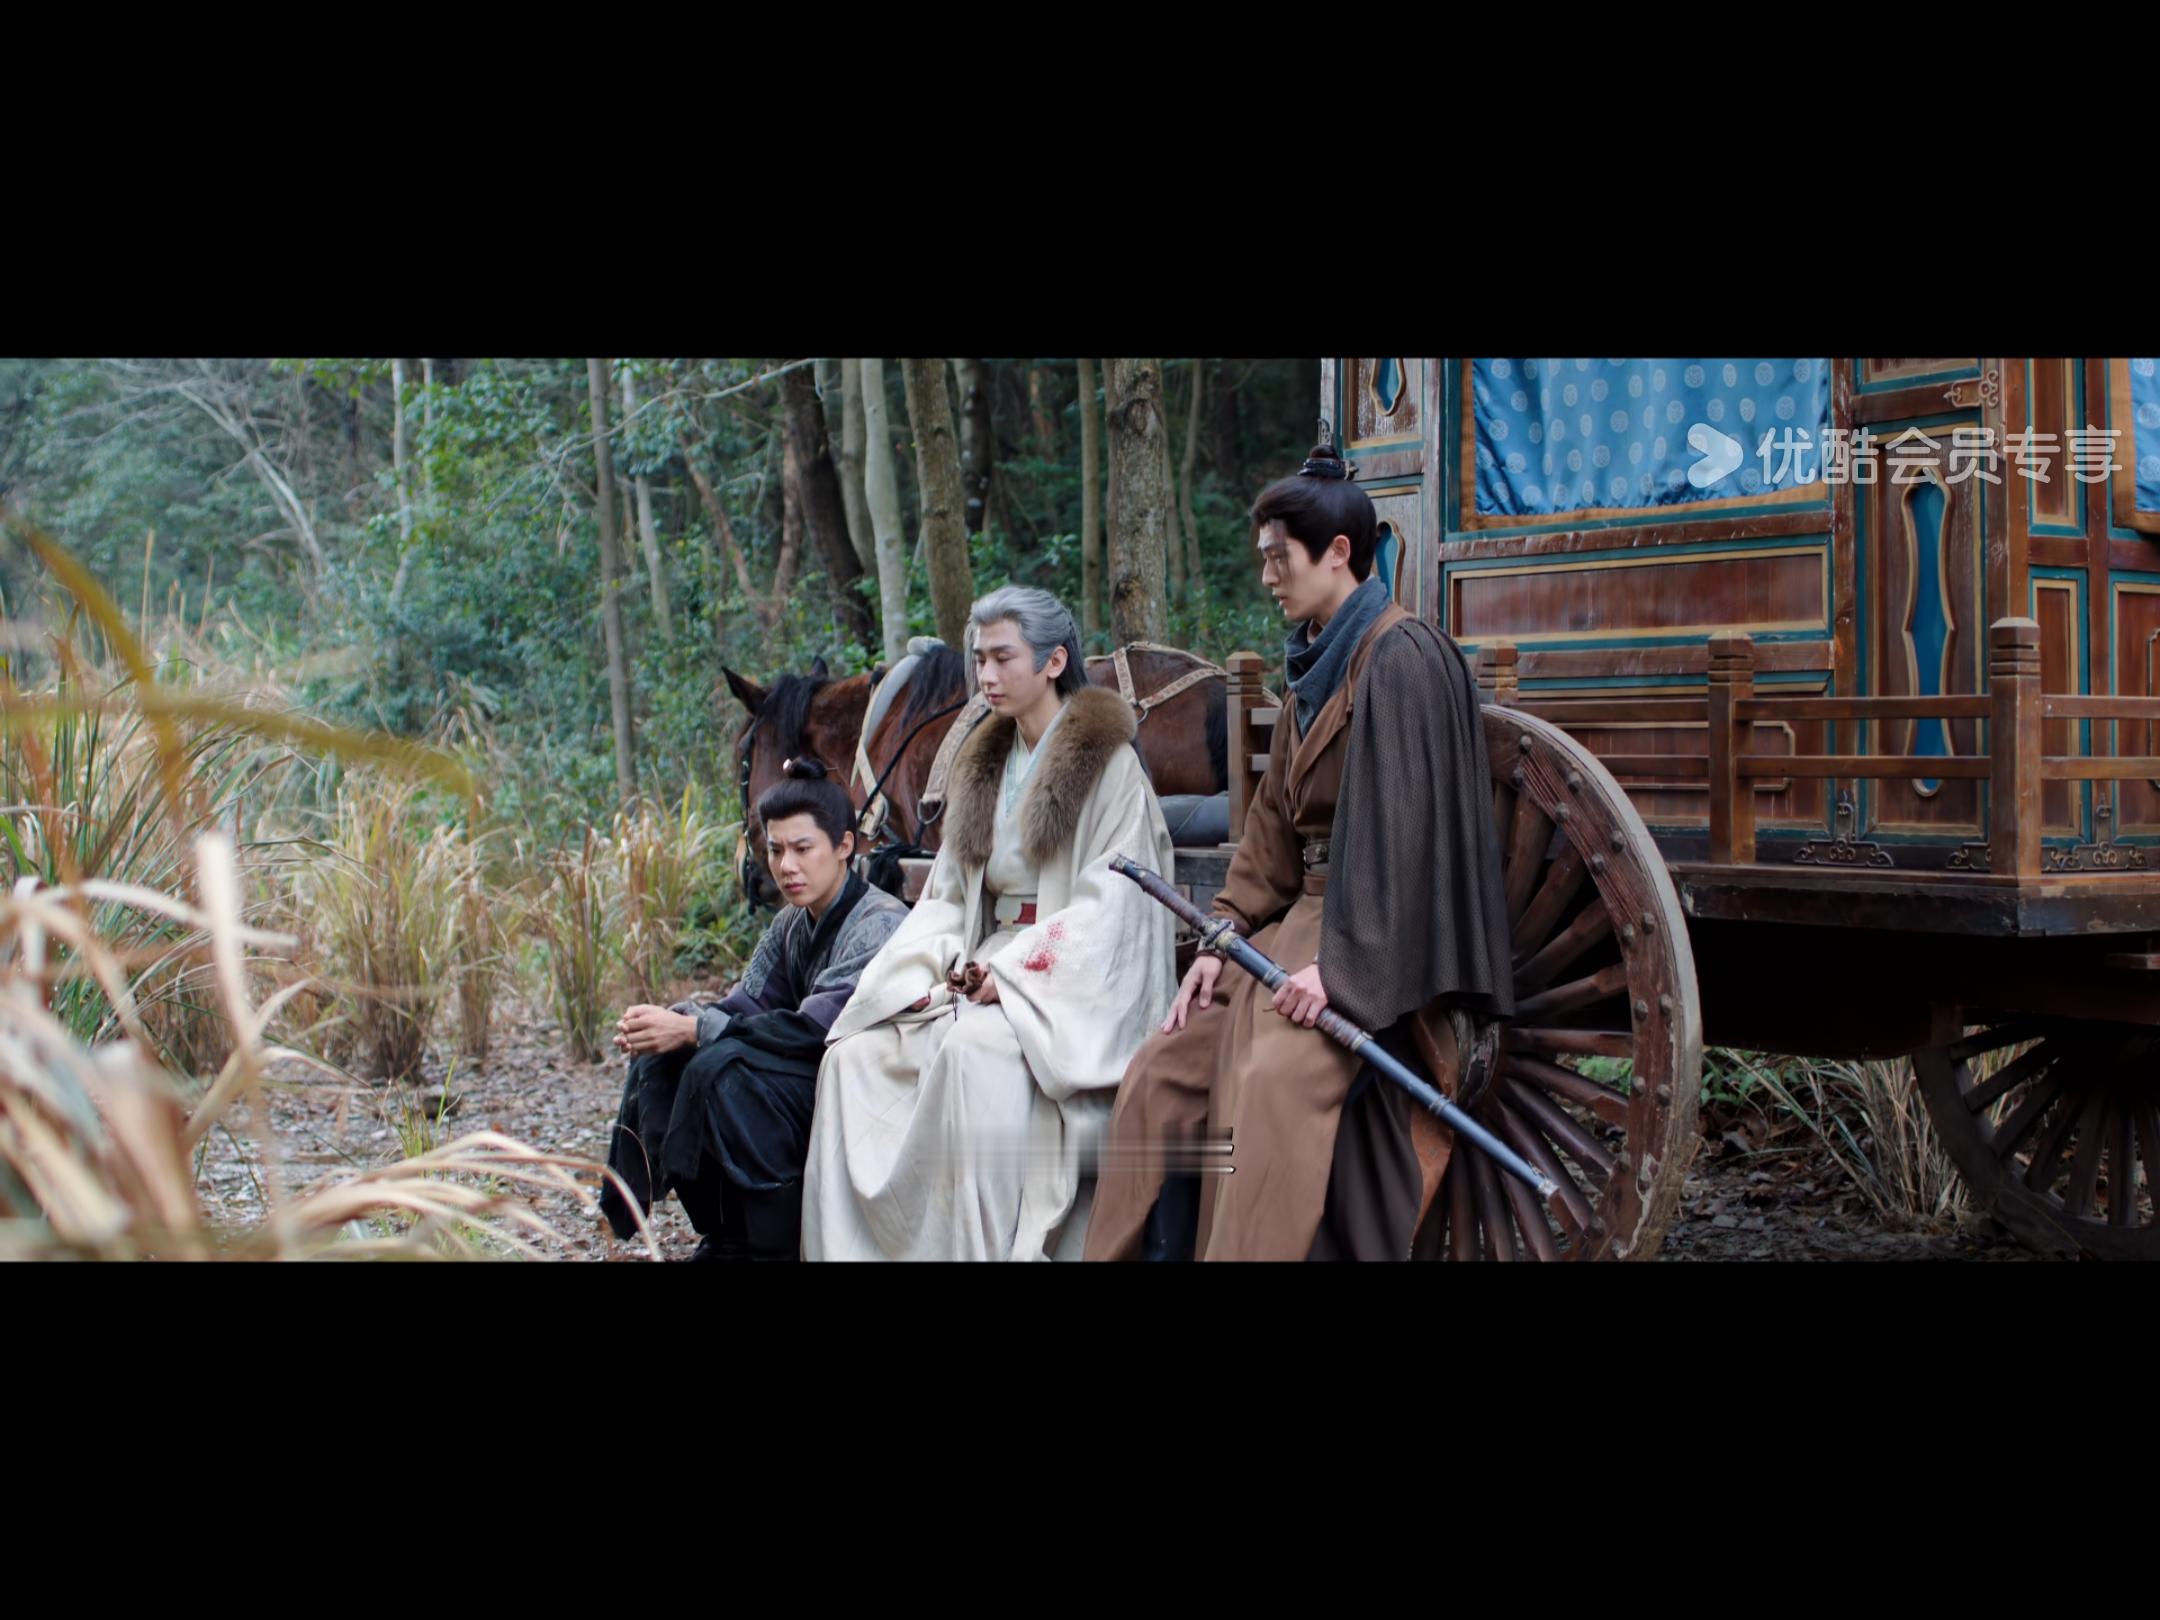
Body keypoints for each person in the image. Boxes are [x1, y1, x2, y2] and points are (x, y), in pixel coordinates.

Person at [1085, 440, 1515, 1262]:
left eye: (1279, 558)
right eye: (1264, 559)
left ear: (1338, 553)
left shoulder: (1403, 658)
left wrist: (1346, 972)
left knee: (1270, 1087)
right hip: (1288, 937)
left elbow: (1413, 843)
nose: (1267, 576)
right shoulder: (1312, 673)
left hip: (1373, 946)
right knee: (1158, 1072)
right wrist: (1221, 939)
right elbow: (1273, 835)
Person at [803, 586, 1178, 1261]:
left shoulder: (1110, 766)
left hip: (1061, 982)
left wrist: (1014, 975)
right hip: (979, 962)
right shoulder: (982, 764)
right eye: (979, 660)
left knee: (970, 1056)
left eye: (1004, 658)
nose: (986, 675)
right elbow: (946, 898)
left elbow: (1117, 906)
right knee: (852, 1058)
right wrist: (927, 973)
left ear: (1054, 662)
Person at [599, 756, 907, 1261]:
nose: (786, 866)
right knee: (677, 1053)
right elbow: (747, 1004)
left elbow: (813, 1030)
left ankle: (774, 1245)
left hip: (860, 1086)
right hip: (806, 1069)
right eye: (776, 850)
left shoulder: (879, 922)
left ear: (844, 846)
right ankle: (725, 1234)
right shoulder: (791, 922)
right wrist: (671, 1022)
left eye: (802, 849)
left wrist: (695, 1030)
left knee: (724, 1072)